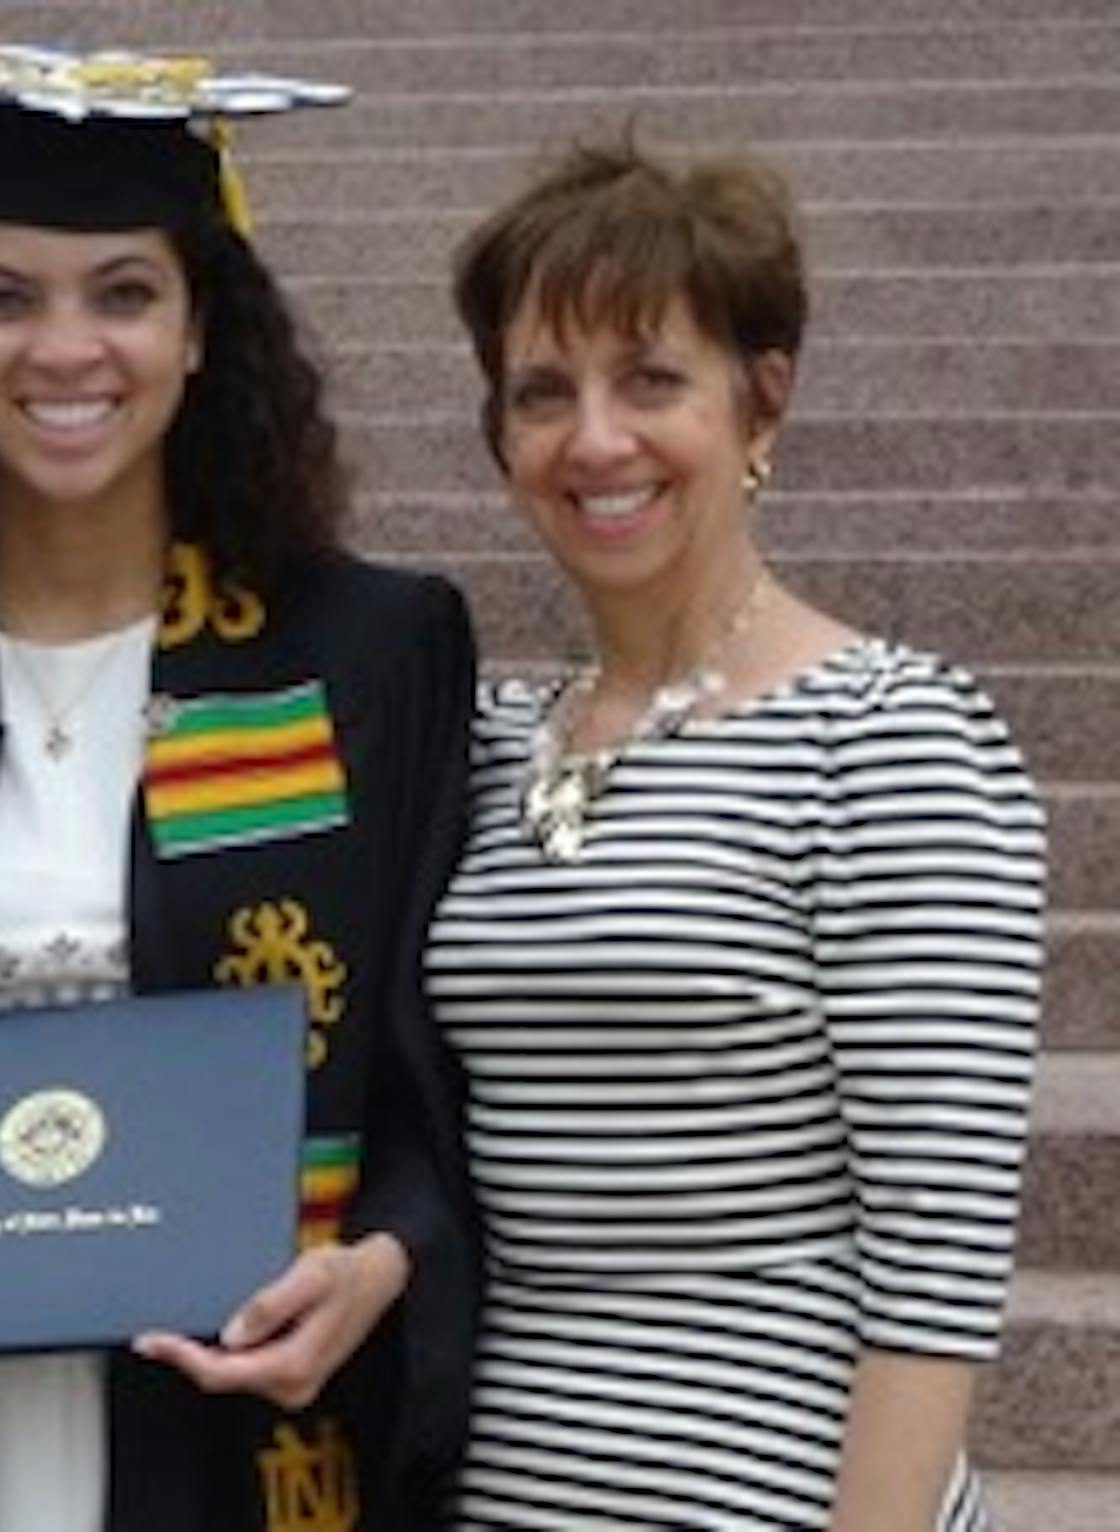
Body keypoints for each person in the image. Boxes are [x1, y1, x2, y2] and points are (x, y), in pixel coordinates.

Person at [0, 43, 479, 1531]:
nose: (66, 349)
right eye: (5, 296)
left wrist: (381, 1262)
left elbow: (429, 1083)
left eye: (124, 291)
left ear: (201, 330)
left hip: (241, 1440)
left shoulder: (367, 658)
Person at [427, 141, 1047, 1529]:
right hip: (502, 1487)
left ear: (762, 402)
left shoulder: (891, 739)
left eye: (653, 380)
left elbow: (936, 1264)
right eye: (543, 393)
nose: (595, 440)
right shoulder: (479, 739)